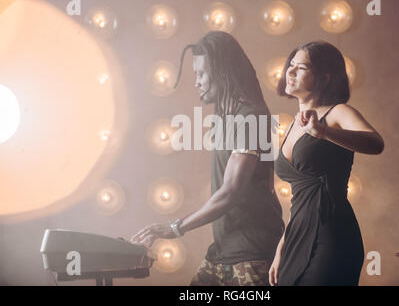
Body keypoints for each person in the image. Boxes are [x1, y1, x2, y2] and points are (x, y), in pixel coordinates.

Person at [131, 31, 284, 286]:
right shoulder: (228, 118)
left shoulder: (251, 117)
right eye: (195, 75)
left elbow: (231, 191)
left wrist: (176, 227)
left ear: (222, 73)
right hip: (223, 251)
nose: (197, 82)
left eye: (201, 74)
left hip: (252, 254)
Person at [269, 41, 384, 286]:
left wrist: (323, 132)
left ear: (324, 77)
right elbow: (300, 198)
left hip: (331, 234)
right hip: (296, 237)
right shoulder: (290, 127)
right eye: (290, 65)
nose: (290, 72)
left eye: (301, 68)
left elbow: (376, 143)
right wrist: (282, 247)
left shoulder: (339, 112)